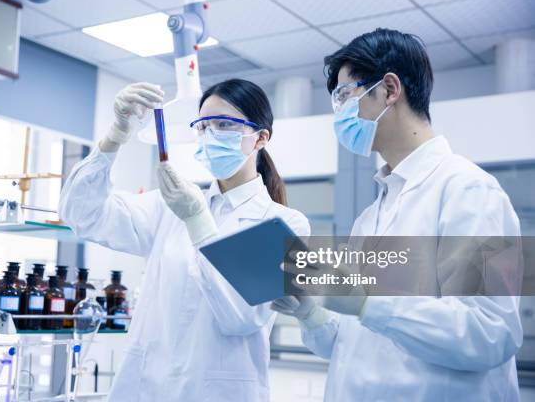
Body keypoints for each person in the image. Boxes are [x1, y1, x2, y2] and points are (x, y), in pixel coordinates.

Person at [271, 28, 523, 401]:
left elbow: (489, 332)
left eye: (344, 96)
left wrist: (368, 302)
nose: (339, 113)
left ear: (390, 89)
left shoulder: (468, 191)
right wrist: (311, 312)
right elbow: (353, 344)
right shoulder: (370, 216)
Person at [59, 79, 310, 401]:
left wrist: (197, 222)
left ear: (261, 138)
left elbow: (240, 316)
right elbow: (81, 214)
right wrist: (114, 137)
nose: (209, 135)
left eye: (223, 124)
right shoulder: (170, 206)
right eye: (203, 126)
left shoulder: (283, 223)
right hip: (144, 388)